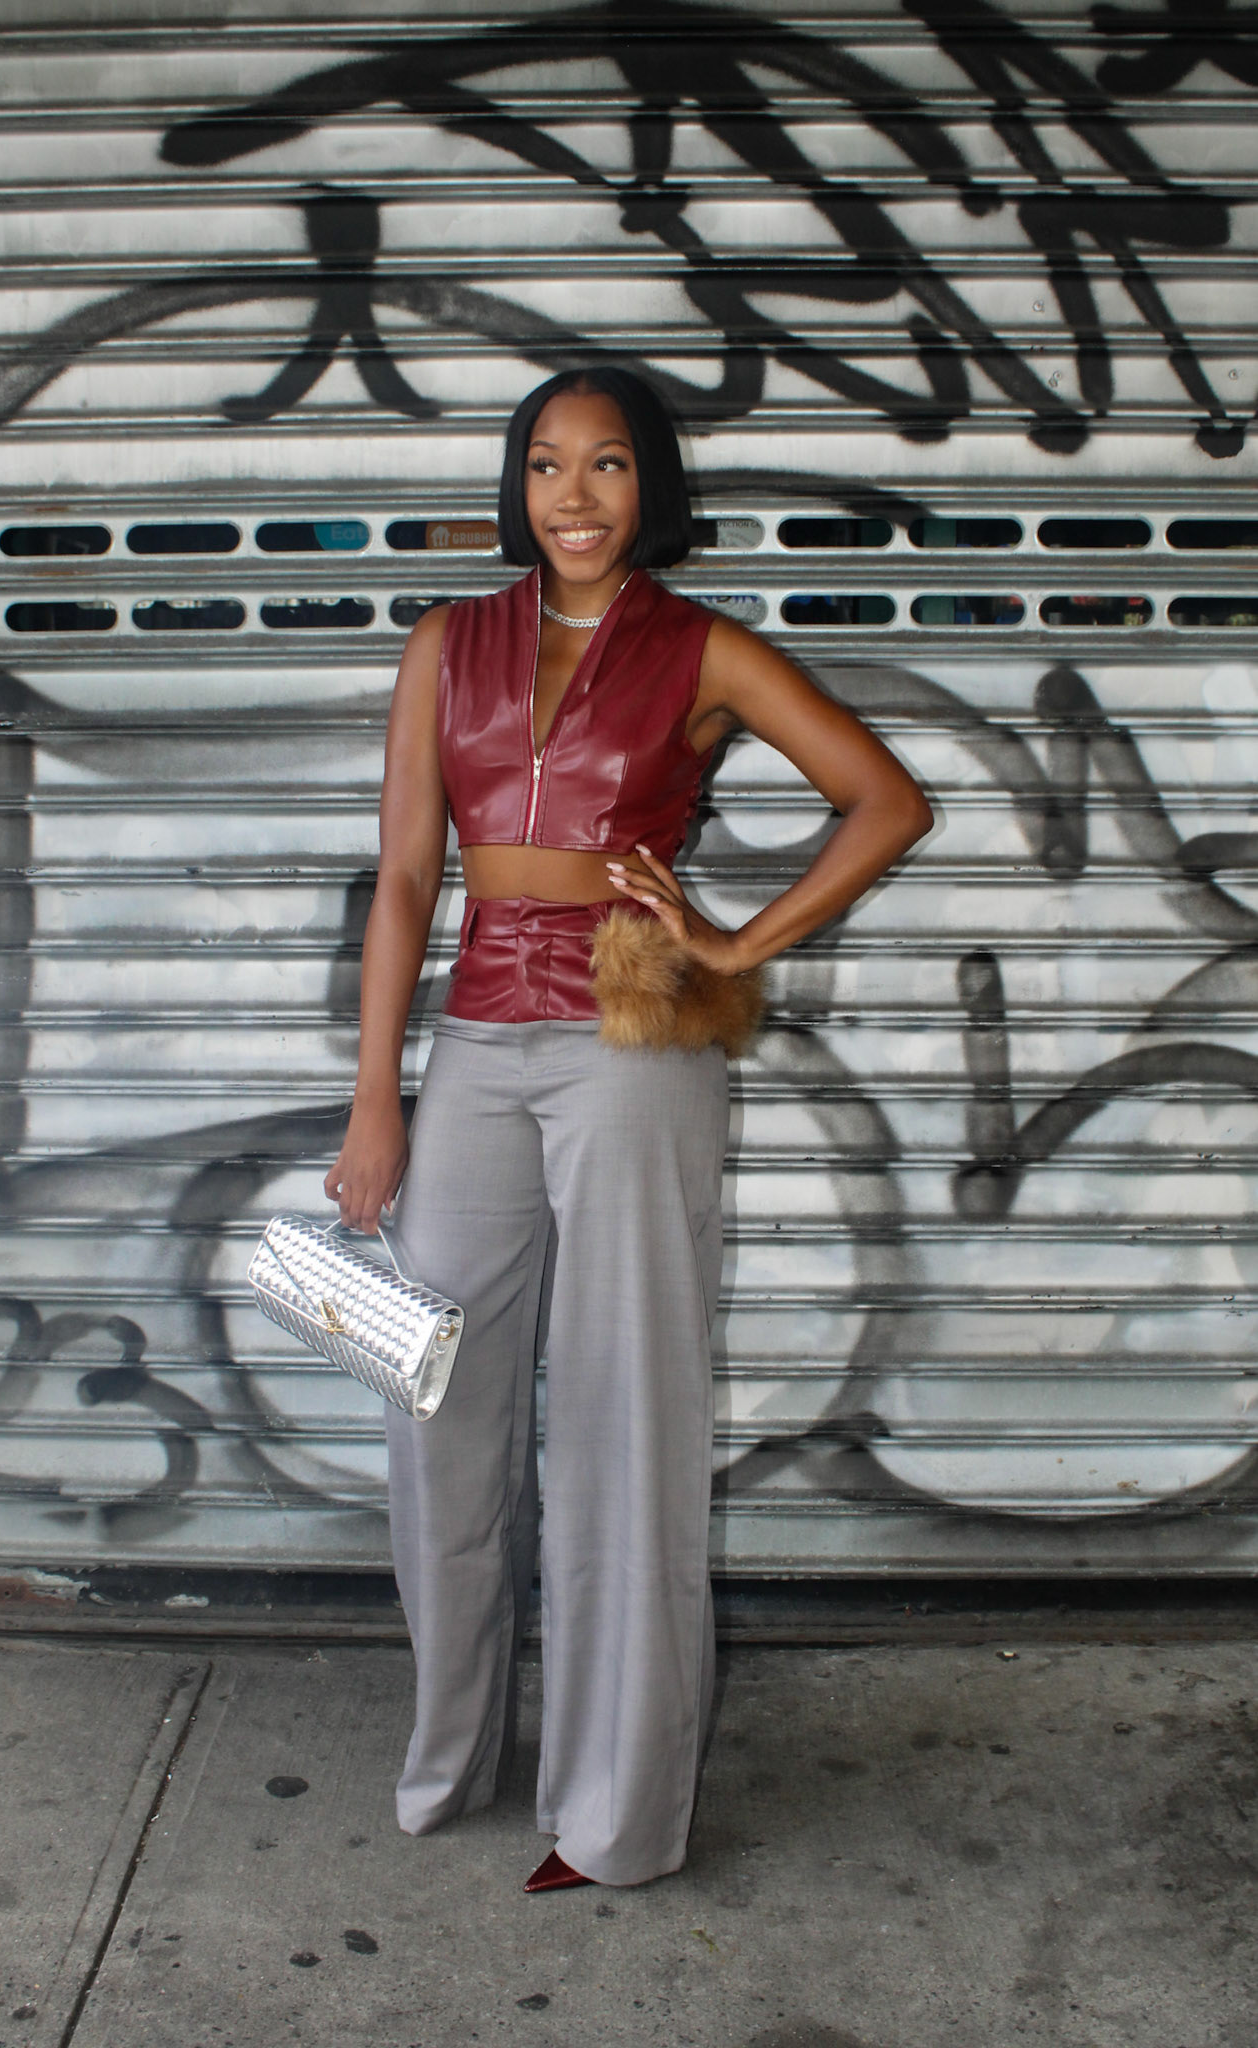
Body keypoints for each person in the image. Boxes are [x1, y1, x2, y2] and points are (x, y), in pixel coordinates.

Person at [325, 366, 932, 1892]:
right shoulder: (447, 643)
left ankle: (610, 1814)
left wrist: (733, 944)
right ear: (516, 484)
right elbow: (406, 880)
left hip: (631, 1040)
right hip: (477, 1040)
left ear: (648, 484)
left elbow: (883, 800)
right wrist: (377, 1099)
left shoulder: (702, 648)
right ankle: (452, 1753)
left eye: (605, 465)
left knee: (622, 1422)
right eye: (546, 465)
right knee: (433, 1402)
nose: (574, 496)